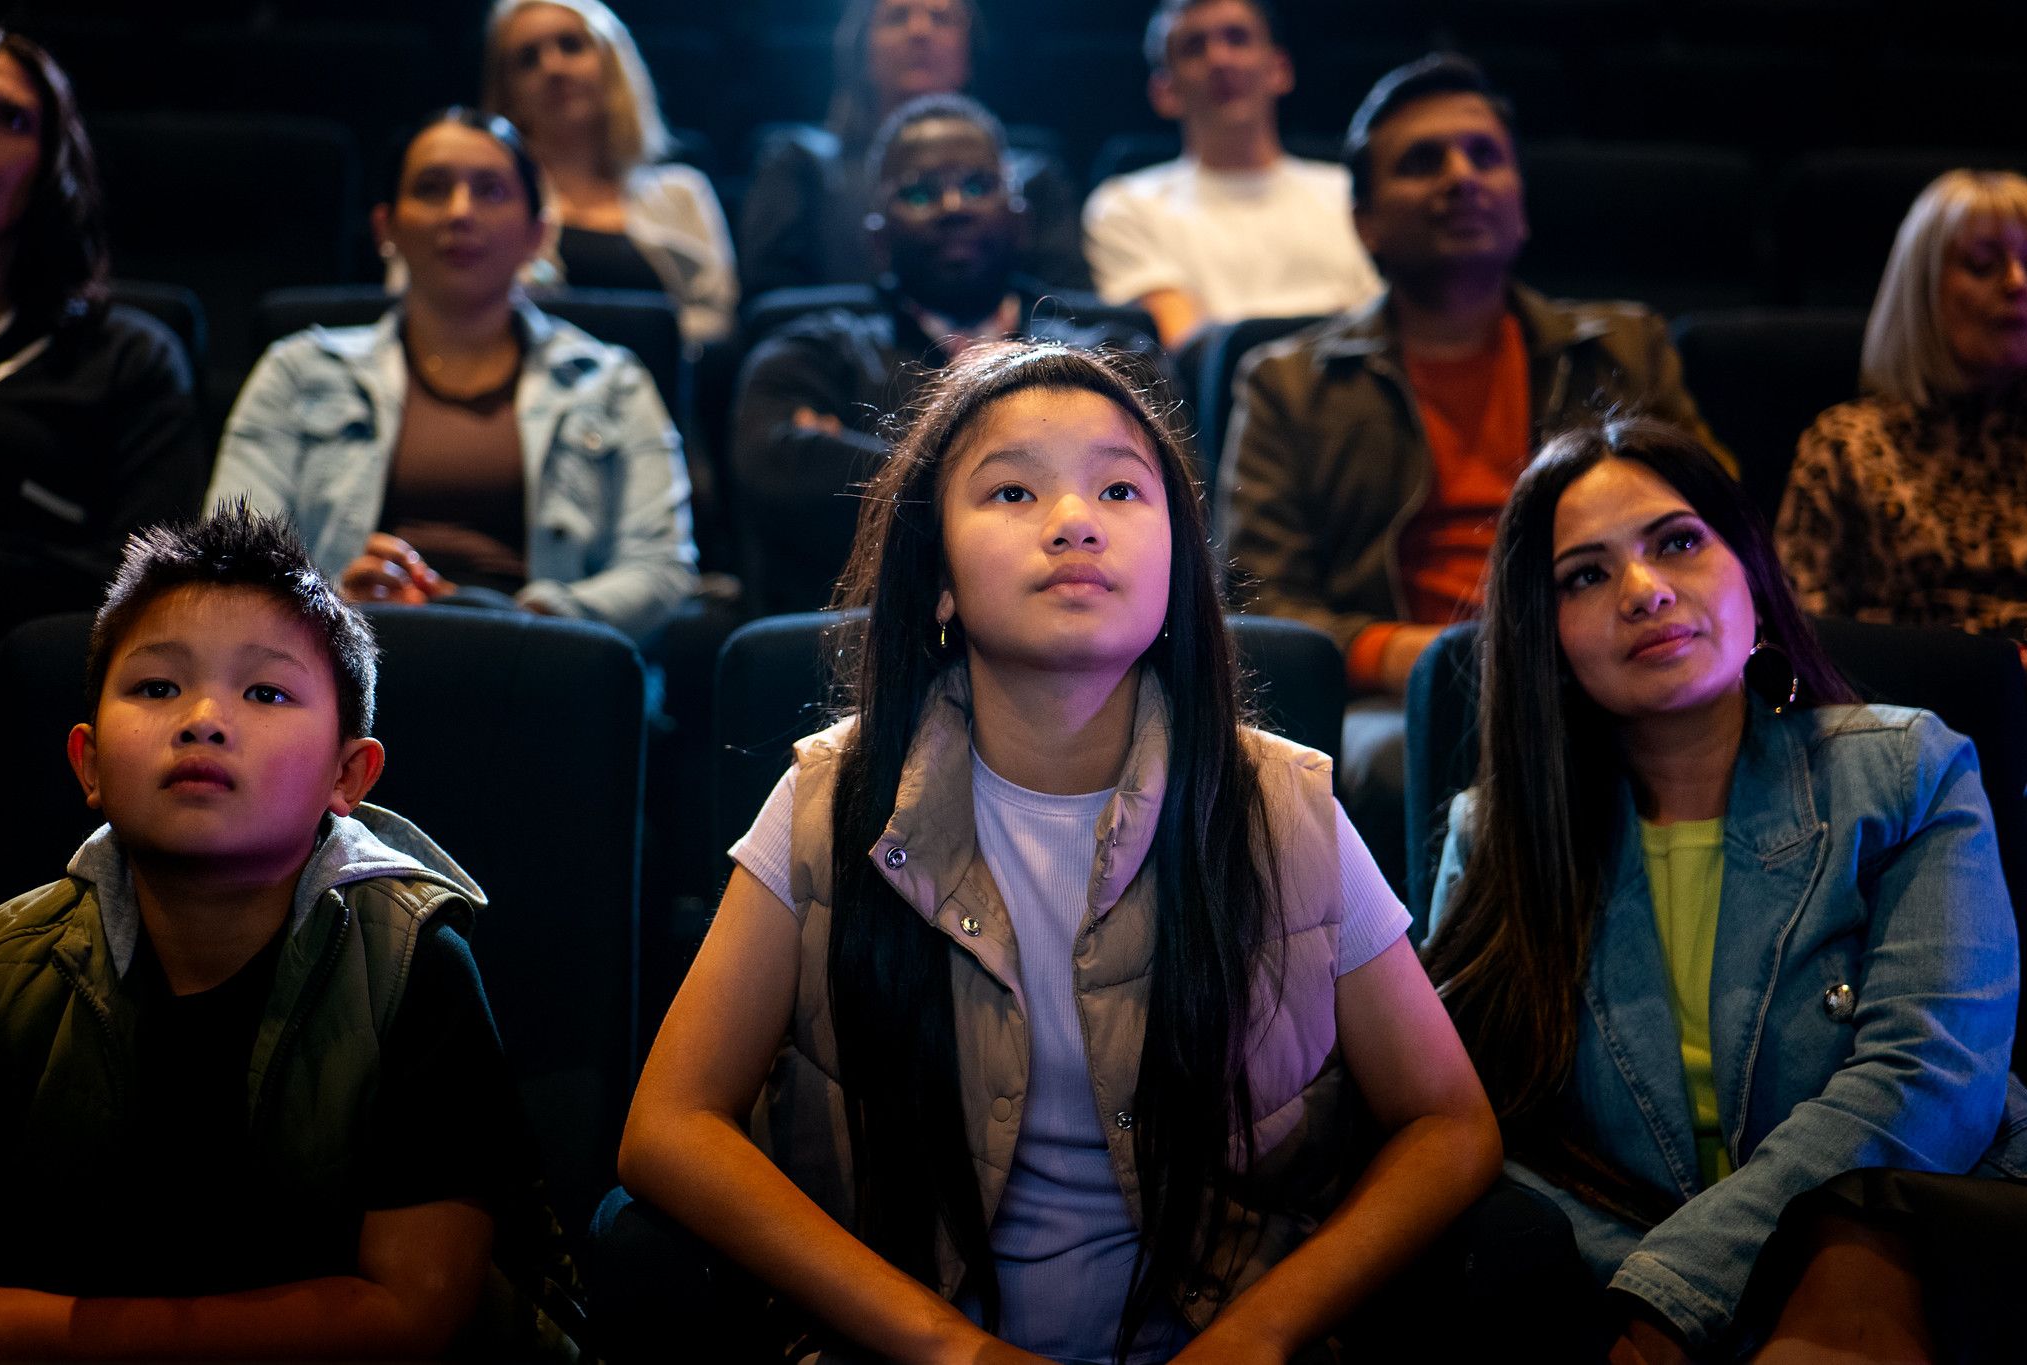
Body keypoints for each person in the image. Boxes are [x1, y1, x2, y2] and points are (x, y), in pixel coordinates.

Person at [609, 341, 1503, 1363]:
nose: (1073, 520)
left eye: (1119, 488)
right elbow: (668, 1126)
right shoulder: (831, 797)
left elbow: (1449, 1125)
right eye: (1012, 491)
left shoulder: (1276, 805)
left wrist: (1260, 1332)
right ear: (938, 581)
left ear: (1176, 564)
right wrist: (947, 1348)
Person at [1425, 416, 2027, 1362]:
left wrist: (1679, 1289)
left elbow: (1929, 1079)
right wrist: (1650, 1291)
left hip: (1897, 1253)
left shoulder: (1910, 770)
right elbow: (1476, 1124)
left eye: (1677, 542)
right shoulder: (1494, 837)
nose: (1646, 590)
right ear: (1547, 635)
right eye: (1585, 575)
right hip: (1615, 1295)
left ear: (1749, 563)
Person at [0, 506, 548, 1358]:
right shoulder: (3, 968)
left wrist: (36, 1330)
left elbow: (414, 1310)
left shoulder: (410, 965)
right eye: (157, 687)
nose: (204, 719)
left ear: (346, 774)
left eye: (266, 691)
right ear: (89, 763)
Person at [1217, 52, 1721, 887]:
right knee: (1423, 748)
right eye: (1423, 162)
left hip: (1609, 640)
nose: (1461, 177)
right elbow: (1259, 601)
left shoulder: (1625, 348)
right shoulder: (1288, 383)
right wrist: (1425, 655)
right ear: (1367, 221)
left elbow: (1713, 529)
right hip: (1410, 688)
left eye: (1484, 156)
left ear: (1520, 203)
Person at [207, 107, 698, 648]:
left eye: (490, 191)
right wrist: (334, 604)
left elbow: (662, 570)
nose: (460, 212)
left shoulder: (614, 382)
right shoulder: (297, 369)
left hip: (546, 664)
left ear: (537, 232)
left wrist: (528, 617)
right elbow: (236, 554)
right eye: (432, 188)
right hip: (341, 664)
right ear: (385, 227)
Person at [732, 93, 1161, 615]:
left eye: (977, 186)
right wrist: (1026, 485)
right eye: (918, 194)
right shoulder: (809, 353)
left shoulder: (1115, 356)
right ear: (878, 238)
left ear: (1020, 219)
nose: (953, 209)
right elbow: (777, 476)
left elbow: (1169, 501)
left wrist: (866, 460)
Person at [0, 27, 205, 757]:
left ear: (51, 167)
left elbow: (152, 574)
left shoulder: (127, 358)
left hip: (19, 681)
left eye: (10, 117)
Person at [1778, 169, 2027, 641]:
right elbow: (1802, 638)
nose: (2017, 282)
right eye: (1982, 264)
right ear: (1923, 293)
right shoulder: (1847, 448)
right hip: (1912, 703)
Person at [735, 0, 1087, 300]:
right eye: (897, 16)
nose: (919, 32)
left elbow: (1068, 308)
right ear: (861, 52)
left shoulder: (1032, 176)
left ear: (969, 53)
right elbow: (770, 306)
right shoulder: (801, 164)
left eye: (941, 18)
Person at [1082, 0, 1381, 349]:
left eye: (1237, 39)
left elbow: (1387, 331)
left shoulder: (1350, 193)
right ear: (1164, 91)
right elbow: (1190, 349)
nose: (1219, 60)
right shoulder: (1124, 205)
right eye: (1194, 47)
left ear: (1279, 69)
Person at [482, 0, 738, 348]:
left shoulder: (683, 192)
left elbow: (718, 320)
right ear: (507, 93)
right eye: (528, 58)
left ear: (613, 62)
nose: (552, 67)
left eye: (571, 45)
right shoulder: (487, 201)